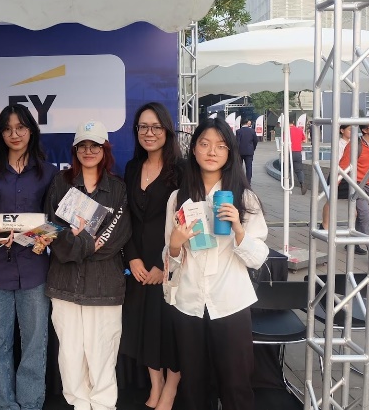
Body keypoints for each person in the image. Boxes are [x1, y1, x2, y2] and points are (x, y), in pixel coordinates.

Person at [164, 118, 269, 410]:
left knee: (236, 386)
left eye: (221, 146)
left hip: (230, 303)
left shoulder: (244, 199)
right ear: (194, 150)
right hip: (189, 303)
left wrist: (238, 228)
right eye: (205, 144)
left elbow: (258, 257)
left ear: (230, 153)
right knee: (194, 386)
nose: (212, 151)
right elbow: (169, 258)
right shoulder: (177, 199)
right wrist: (175, 243)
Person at [40, 119, 131, 410]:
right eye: (83, 146)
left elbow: (117, 237)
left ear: (105, 150)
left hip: (104, 285)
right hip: (64, 283)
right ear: (75, 150)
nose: (89, 151)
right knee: (69, 353)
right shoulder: (60, 183)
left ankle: (103, 405)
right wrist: (80, 244)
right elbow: (51, 230)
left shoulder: (118, 188)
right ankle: (78, 404)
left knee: (103, 351)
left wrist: (79, 244)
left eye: (95, 145)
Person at [0, 104, 58, 410]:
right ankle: (6, 405)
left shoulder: (48, 172)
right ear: (0, 133)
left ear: (31, 131)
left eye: (21, 128)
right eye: (8, 128)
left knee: (35, 344)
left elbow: (56, 223)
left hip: (35, 270)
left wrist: (41, 235)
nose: (15, 134)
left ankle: (30, 403)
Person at [120, 103, 182, 410]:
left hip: (170, 264)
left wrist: (163, 265)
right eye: (143, 127)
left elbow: (188, 222)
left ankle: (170, 390)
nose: (149, 133)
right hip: (138, 265)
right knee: (143, 327)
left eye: (156, 127)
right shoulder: (132, 168)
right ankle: (155, 385)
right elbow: (125, 218)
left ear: (167, 130)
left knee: (169, 330)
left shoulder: (183, 171)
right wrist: (132, 259)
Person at [338, 124, 369, 256]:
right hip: (358, 185)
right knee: (365, 216)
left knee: (367, 217)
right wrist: (334, 184)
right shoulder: (355, 145)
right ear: (365, 130)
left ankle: (352, 243)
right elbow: (342, 166)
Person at [320, 124, 351, 231]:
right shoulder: (338, 144)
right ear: (342, 130)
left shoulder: (353, 144)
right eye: (349, 130)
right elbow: (337, 162)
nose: (351, 132)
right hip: (337, 175)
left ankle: (353, 228)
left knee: (355, 202)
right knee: (331, 201)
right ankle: (325, 225)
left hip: (350, 176)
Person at [235, 118, 258, 183]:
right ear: (247, 123)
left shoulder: (238, 131)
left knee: (239, 167)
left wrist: (236, 151)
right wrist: (253, 148)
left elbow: (237, 142)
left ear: (241, 123)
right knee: (249, 167)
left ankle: (240, 181)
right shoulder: (252, 131)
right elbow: (255, 141)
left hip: (240, 152)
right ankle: (248, 182)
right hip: (249, 151)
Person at [289, 120, 307, 194]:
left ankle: (288, 186)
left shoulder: (286, 131)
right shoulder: (299, 130)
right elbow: (305, 140)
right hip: (298, 152)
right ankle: (302, 184)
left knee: (287, 169)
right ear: (293, 122)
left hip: (289, 152)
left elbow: (284, 142)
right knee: (299, 170)